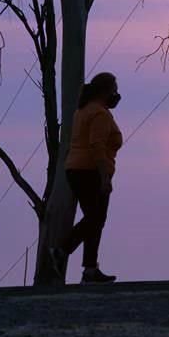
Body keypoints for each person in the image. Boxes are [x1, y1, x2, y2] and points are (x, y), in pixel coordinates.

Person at [49, 72, 122, 284]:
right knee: (95, 219)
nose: (116, 95)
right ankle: (62, 250)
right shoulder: (99, 113)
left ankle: (90, 269)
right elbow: (96, 145)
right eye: (114, 90)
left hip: (77, 169)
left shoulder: (83, 111)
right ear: (105, 91)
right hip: (90, 171)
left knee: (95, 219)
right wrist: (104, 177)